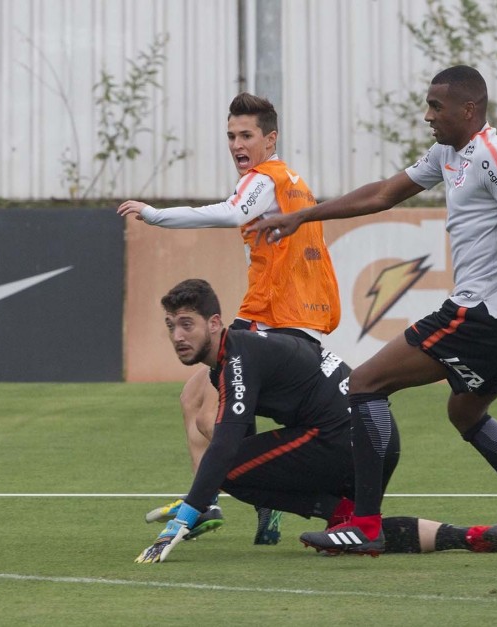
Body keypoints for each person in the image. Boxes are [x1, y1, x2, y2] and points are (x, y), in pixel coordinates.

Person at [247, 65, 497, 563]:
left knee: (364, 383)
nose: (427, 115)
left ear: (468, 110)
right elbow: (384, 192)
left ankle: (364, 525)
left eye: (436, 106)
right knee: (465, 412)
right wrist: (302, 214)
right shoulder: (449, 153)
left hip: (483, 315)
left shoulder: (492, 154)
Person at [135, 278, 497, 563]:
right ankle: (468, 536)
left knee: (227, 468)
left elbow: (229, 444)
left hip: (345, 439)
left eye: (187, 324)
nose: (178, 336)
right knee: (358, 526)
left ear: (215, 323)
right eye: (171, 326)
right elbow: (239, 431)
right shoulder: (242, 351)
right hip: (377, 438)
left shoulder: (238, 356)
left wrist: (186, 514)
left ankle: (339, 516)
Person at [118, 92, 341, 544]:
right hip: (279, 315)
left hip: (275, 319)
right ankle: (214, 503)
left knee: (212, 417)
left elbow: (230, 212)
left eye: (246, 135)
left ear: (270, 139)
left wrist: (154, 215)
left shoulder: (265, 177)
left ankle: (254, 498)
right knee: (192, 398)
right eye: (231, 136)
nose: (237, 144)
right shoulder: (292, 181)